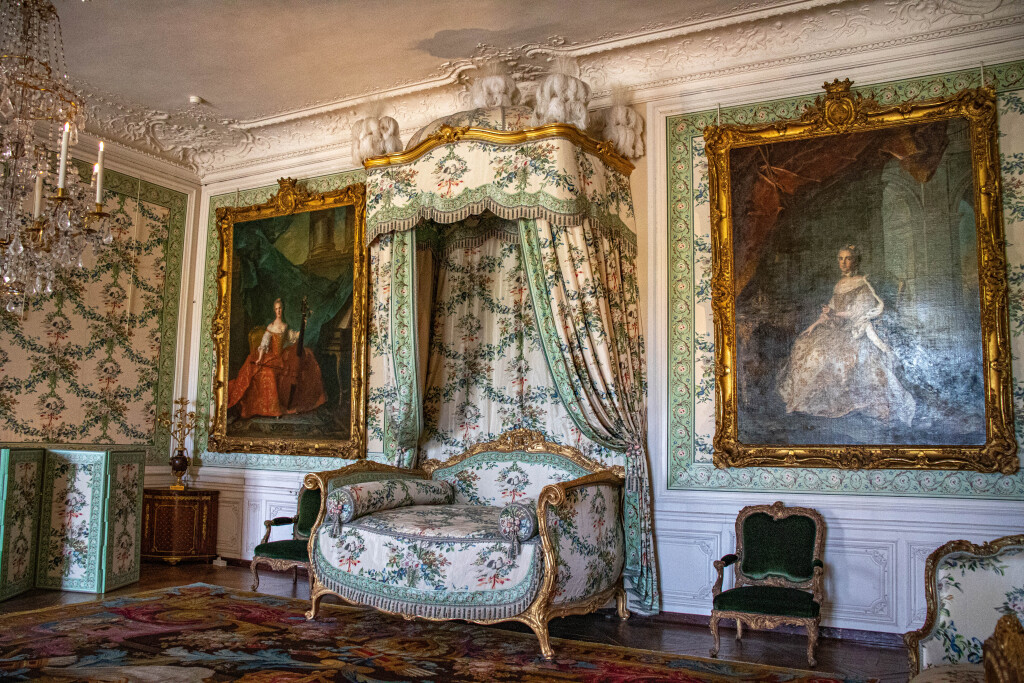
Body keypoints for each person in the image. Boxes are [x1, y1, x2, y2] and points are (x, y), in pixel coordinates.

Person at [776, 245, 915, 426]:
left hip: (855, 331)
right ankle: (807, 399)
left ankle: (836, 401)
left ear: (855, 261)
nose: (843, 263)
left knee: (822, 355)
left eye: (847, 258)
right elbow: (831, 310)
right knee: (804, 345)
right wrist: (814, 325)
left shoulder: (863, 283)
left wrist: (834, 314)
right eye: (840, 259)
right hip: (837, 329)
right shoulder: (839, 284)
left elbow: (858, 312)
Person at [227, 297, 327, 419]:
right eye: (276, 309)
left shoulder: (285, 326)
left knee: (302, 361)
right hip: (272, 356)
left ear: (282, 309)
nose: (278, 311)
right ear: (274, 310)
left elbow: (292, 338)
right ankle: (272, 408)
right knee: (268, 372)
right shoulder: (271, 326)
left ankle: (289, 401)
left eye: (280, 308)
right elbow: (264, 344)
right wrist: (259, 359)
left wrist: (304, 325)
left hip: (283, 356)